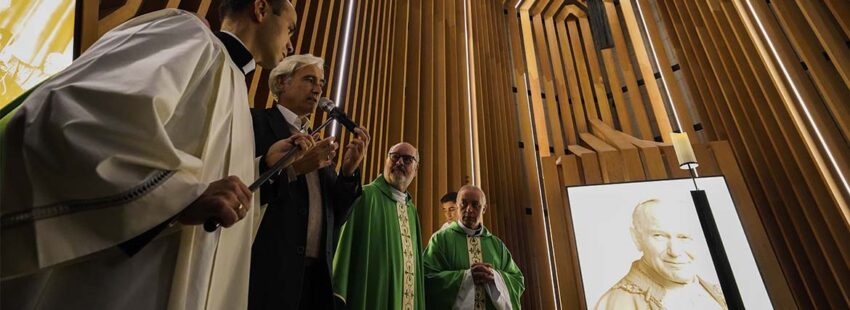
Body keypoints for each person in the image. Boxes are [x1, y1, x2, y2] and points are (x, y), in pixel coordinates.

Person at [0, 1, 310, 309]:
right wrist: (175, 198)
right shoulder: (188, 35)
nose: (292, 42)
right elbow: (74, 118)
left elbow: (211, 189)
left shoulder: (235, 90)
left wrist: (261, 168)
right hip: (121, 286)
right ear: (260, 9)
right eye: (290, 27)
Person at [248, 54, 370, 309]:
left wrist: (348, 172)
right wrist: (296, 168)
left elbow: (336, 214)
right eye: (309, 79)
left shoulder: (315, 140)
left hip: (314, 279)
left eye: (321, 83)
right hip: (268, 273)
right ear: (282, 83)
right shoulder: (256, 123)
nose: (317, 89)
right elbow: (248, 184)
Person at [332, 142, 426, 309]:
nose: (399, 162)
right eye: (395, 156)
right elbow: (344, 251)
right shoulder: (365, 196)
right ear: (386, 161)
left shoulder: (412, 211)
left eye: (407, 159)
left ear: (416, 170)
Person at [596, 199, 727, 310]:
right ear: (637, 239)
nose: (675, 251)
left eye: (684, 237)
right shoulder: (615, 305)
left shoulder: (719, 292)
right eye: (659, 236)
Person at [423, 185, 525, 309]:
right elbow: (427, 279)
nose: (469, 209)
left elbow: (517, 281)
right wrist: (466, 277)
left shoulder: (496, 245)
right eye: (464, 204)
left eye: (475, 205)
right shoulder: (440, 240)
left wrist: (495, 278)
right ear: (457, 205)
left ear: (484, 209)